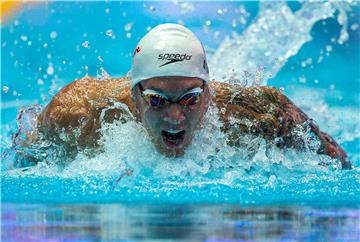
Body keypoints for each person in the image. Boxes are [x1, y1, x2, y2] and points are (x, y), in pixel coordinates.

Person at [20, 23, 350, 168]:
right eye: (157, 100)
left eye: (190, 99)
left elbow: (334, 157)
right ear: (134, 95)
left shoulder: (253, 113)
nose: (175, 118)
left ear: (207, 94)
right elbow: (28, 156)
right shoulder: (78, 112)